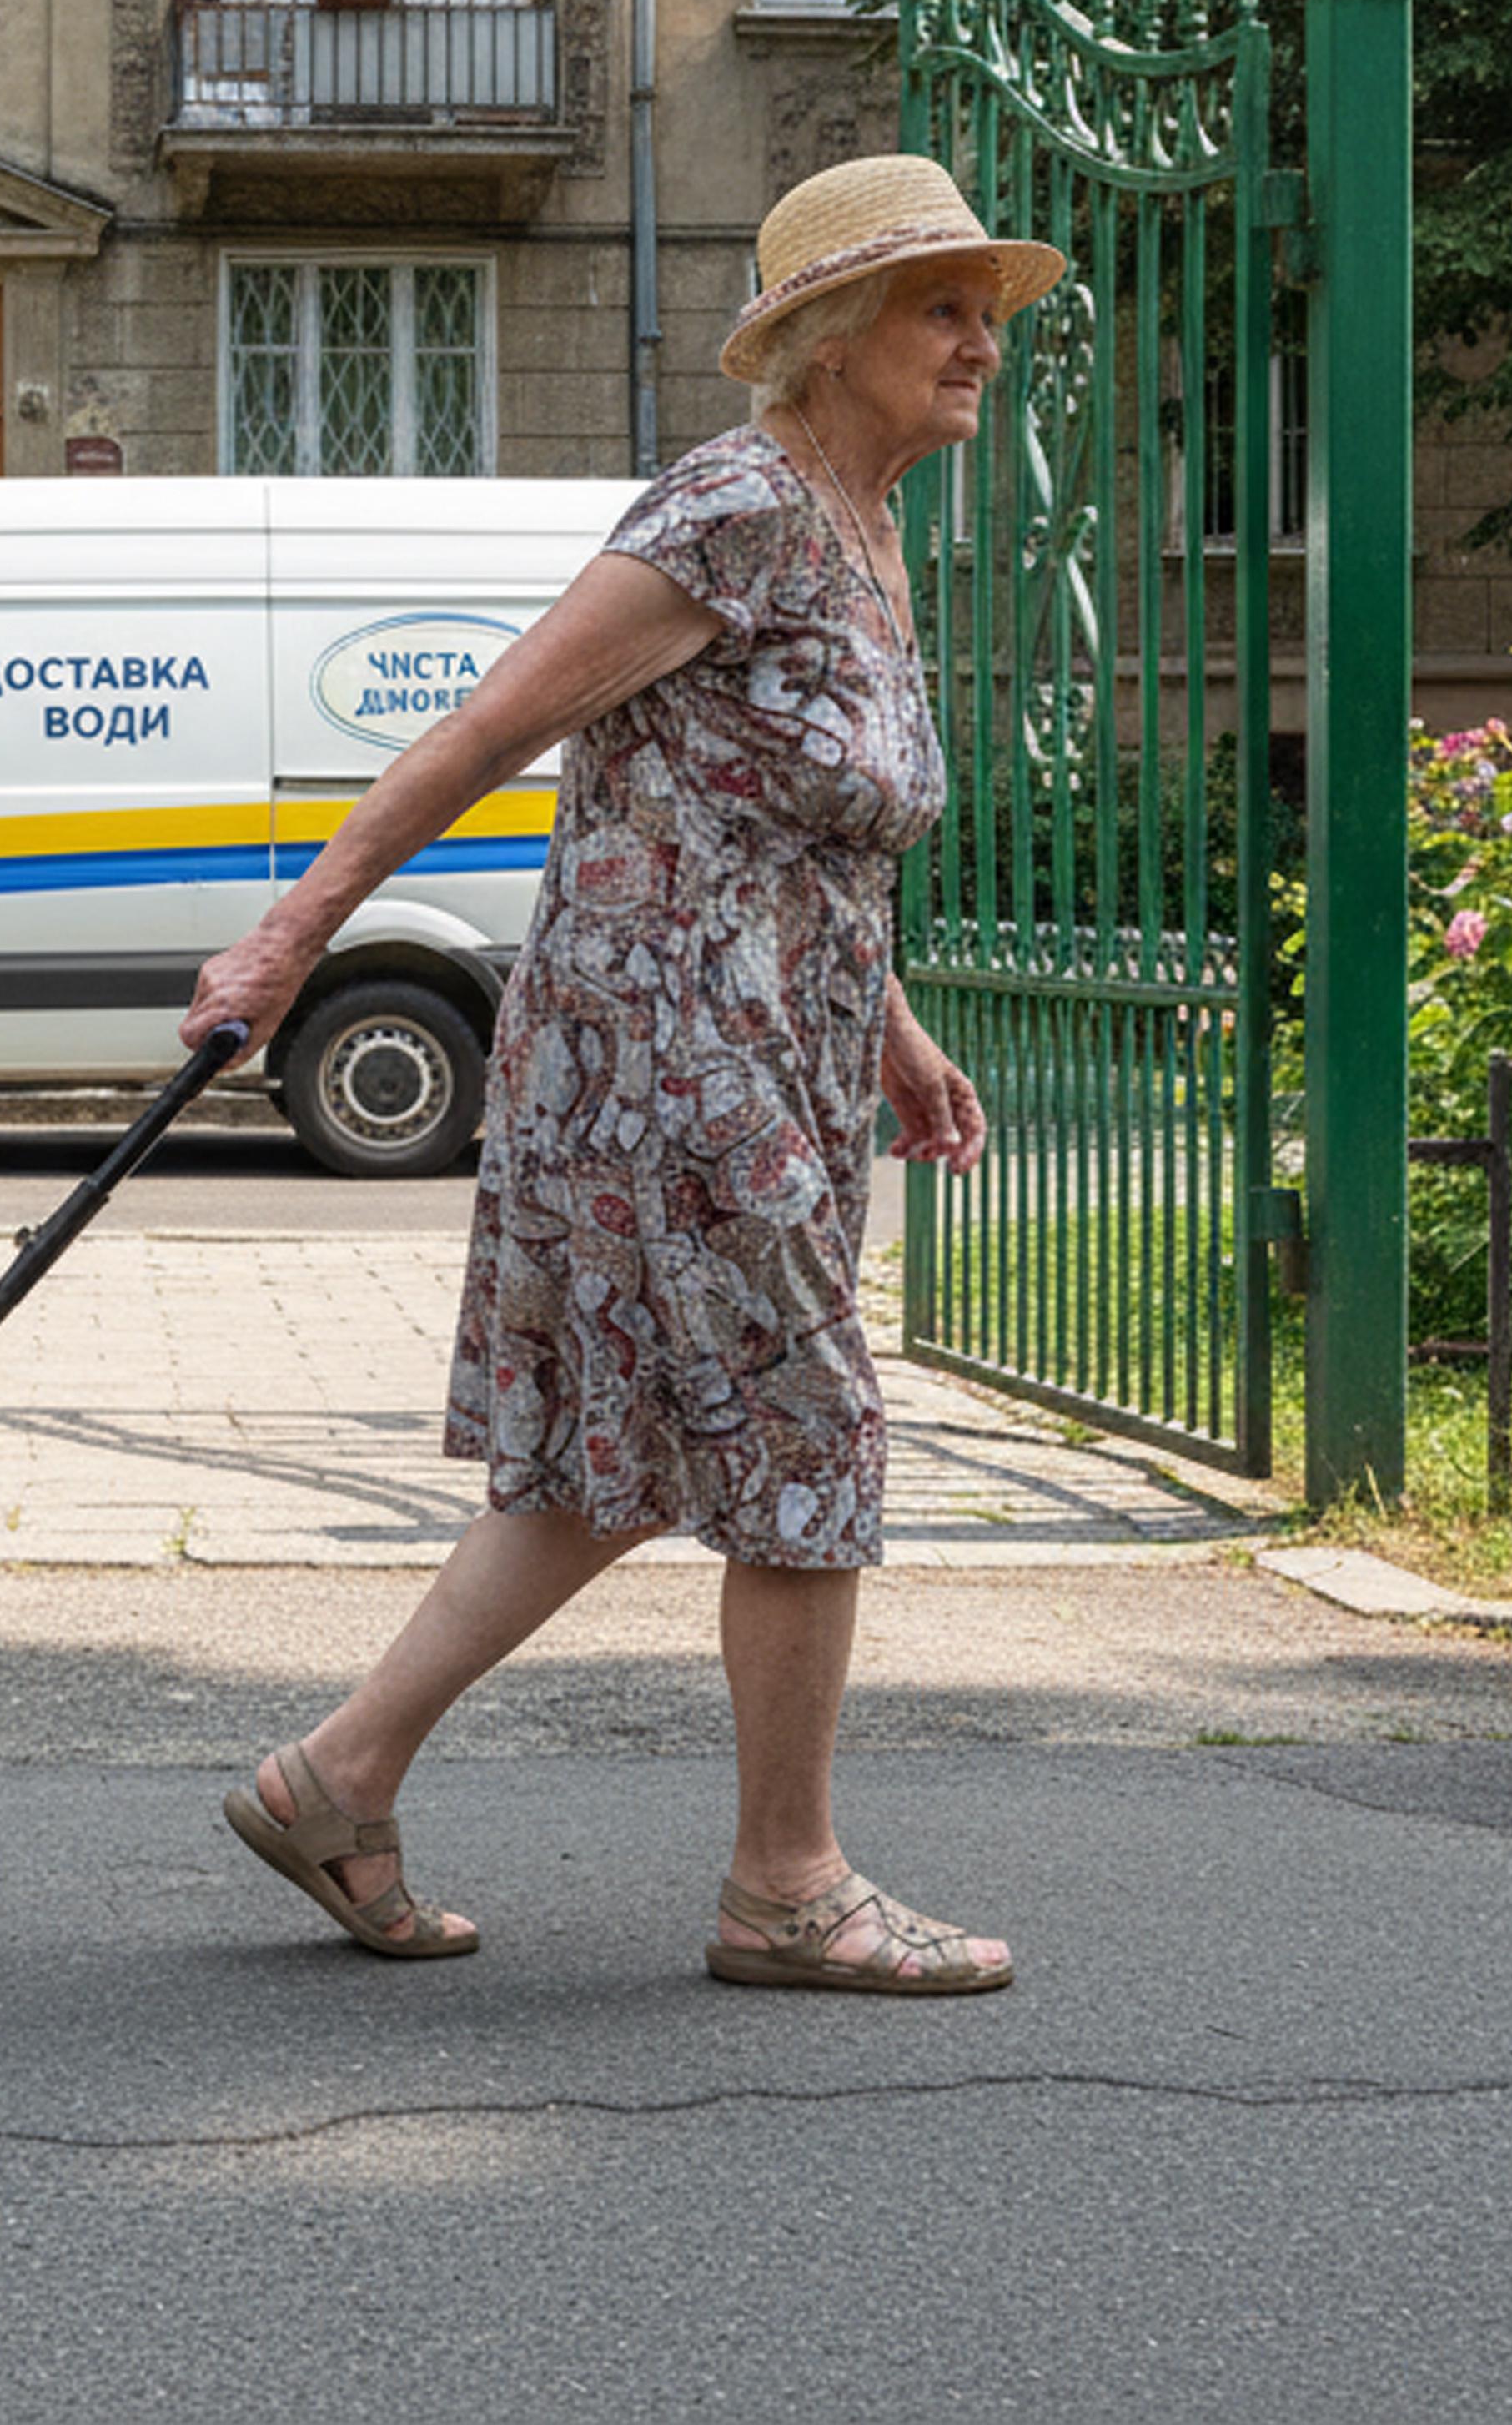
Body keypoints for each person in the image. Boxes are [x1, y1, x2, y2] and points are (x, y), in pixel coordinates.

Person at [183, 153, 1063, 1995]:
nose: (983, 342)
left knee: (615, 1447)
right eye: (943, 307)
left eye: (987, 309)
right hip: (668, 1054)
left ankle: (333, 1778)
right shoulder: (736, 504)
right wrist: (287, 942)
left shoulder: (865, 525)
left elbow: (797, 827)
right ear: (828, 340)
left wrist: (891, 1029)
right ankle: (786, 1884)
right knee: (808, 1427)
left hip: (770, 1038)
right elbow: (488, 725)